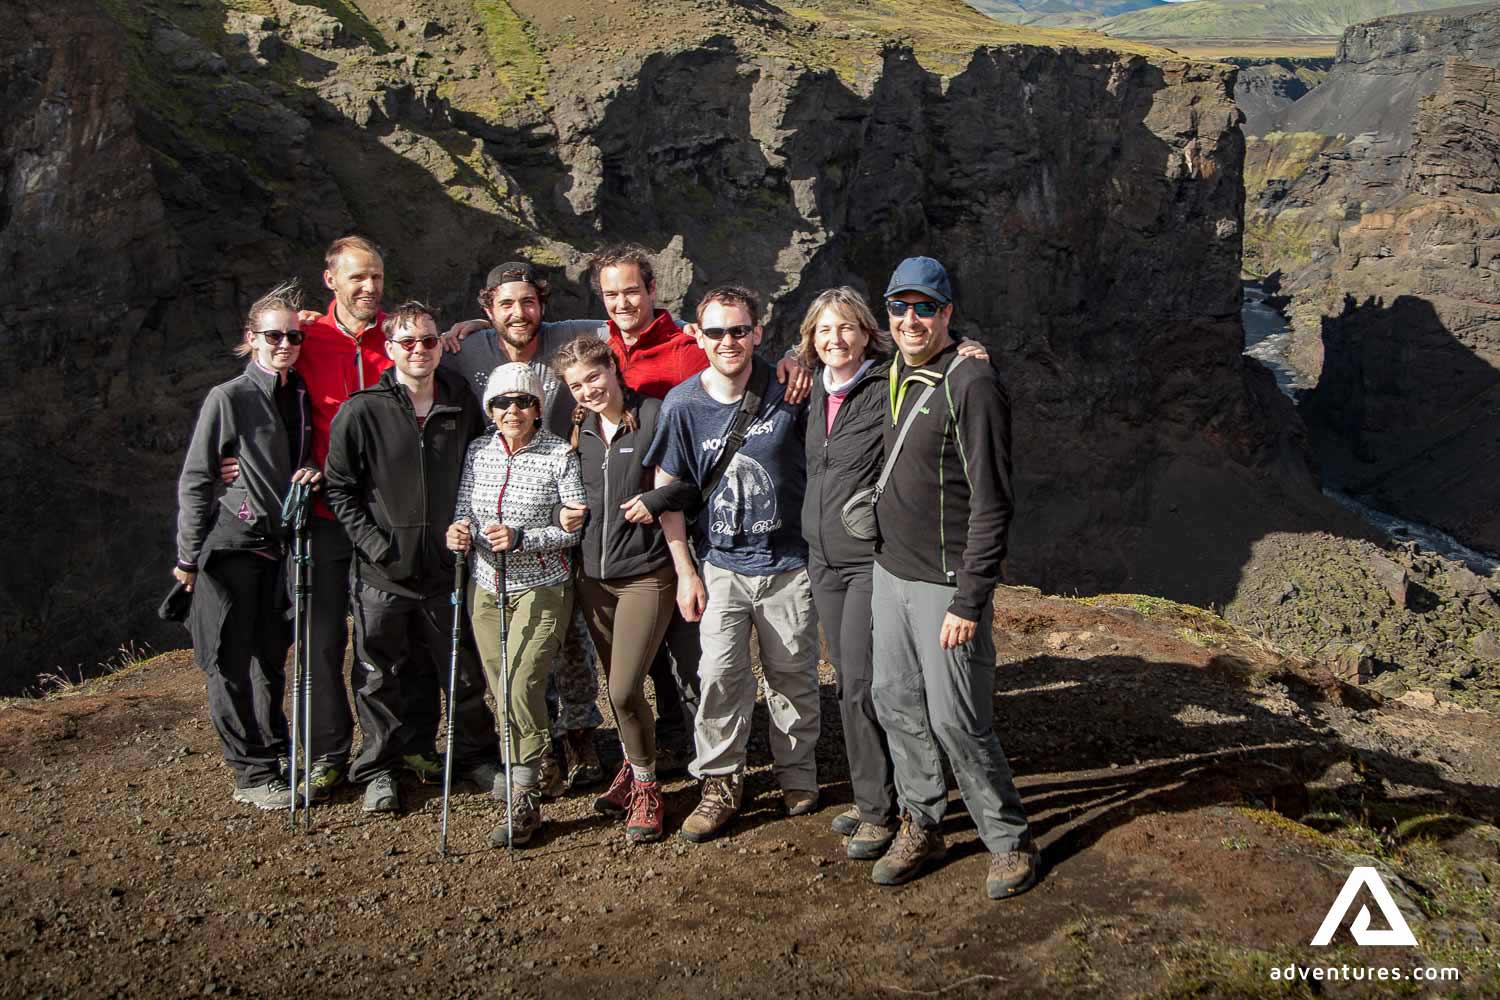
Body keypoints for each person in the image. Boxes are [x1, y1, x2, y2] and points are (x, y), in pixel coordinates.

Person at [867, 257, 1038, 899]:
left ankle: (1009, 840)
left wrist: (970, 598)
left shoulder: (971, 383)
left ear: (947, 312)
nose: (911, 319)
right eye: (899, 307)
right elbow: (825, 347)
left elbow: (994, 502)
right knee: (896, 702)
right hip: (889, 573)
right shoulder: (898, 370)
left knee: (957, 718)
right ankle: (923, 820)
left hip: (945, 585)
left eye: (924, 307)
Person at [643, 286, 821, 843]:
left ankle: (797, 774)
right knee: (720, 677)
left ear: (758, 332)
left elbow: (846, 376)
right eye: (715, 332)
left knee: (792, 675)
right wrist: (686, 572)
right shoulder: (683, 404)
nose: (728, 342)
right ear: (697, 336)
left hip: (788, 561)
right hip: (718, 563)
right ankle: (719, 783)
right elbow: (667, 489)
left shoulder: (788, 388)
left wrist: (962, 350)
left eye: (739, 330)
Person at [323, 302, 500, 814]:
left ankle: (474, 757)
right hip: (382, 572)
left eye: (427, 340)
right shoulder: (361, 410)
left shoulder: (460, 400)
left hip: (448, 567)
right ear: (389, 347)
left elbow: (481, 466)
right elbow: (341, 490)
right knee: (378, 673)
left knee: (462, 671)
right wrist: (378, 546)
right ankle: (380, 767)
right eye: (407, 342)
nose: (419, 351)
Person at [441, 261, 609, 792]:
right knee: (514, 658)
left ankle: (578, 731)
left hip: (560, 501)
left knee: (571, 639)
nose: (520, 313)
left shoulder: (570, 335)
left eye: (529, 301)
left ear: (542, 302)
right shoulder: (466, 349)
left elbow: (630, 326)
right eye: (506, 304)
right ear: (487, 309)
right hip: (495, 543)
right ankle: (542, 746)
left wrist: (691, 328)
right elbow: (405, 349)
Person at [173, 281, 317, 809]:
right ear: (251, 339)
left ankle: (274, 753)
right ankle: (250, 773)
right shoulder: (228, 397)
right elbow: (196, 477)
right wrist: (187, 559)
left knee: (270, 659)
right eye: (274, 336)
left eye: (293, 336)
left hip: (278, 550)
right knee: (230, 661)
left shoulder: (297, 394)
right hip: (232, 549)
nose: (285, 344)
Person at [553, 335, 687, 844]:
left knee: (624, 688)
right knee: (620, 689)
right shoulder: (577, 430)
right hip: (592, 578)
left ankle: (649, 788)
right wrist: (559, 514)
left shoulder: (653, 415)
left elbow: (689, 481)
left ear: (613, 367)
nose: (587, 390)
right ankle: (634, 769)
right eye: (576, 384)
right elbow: (562, 494)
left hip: (645, 573)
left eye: (594, 377)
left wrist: (655, 496)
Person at [447, 363, 586, 848]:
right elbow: (465, 508)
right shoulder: (478, 451)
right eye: (502, 403)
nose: (512, 411)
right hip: (486, 585)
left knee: (521, 680)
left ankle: (523, 795)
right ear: (490, 409)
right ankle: (535, 763)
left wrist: (523, 538)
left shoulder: (558, 455)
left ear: (537, 408)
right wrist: (459, 530)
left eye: (522, 402)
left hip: (543, 584)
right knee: (500, 683)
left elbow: (574, 528)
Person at [796, 287, 902, 861]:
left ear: (866, 332)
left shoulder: (887, 384)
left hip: (867, 560)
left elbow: (937, 362)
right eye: (823, 331)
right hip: (822, 559)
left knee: (862, 682)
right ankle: (872, 798)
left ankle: (884, 812)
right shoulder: (810, 389)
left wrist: (966, 347)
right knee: (847, 682)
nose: (835, 340)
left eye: (846, 328)